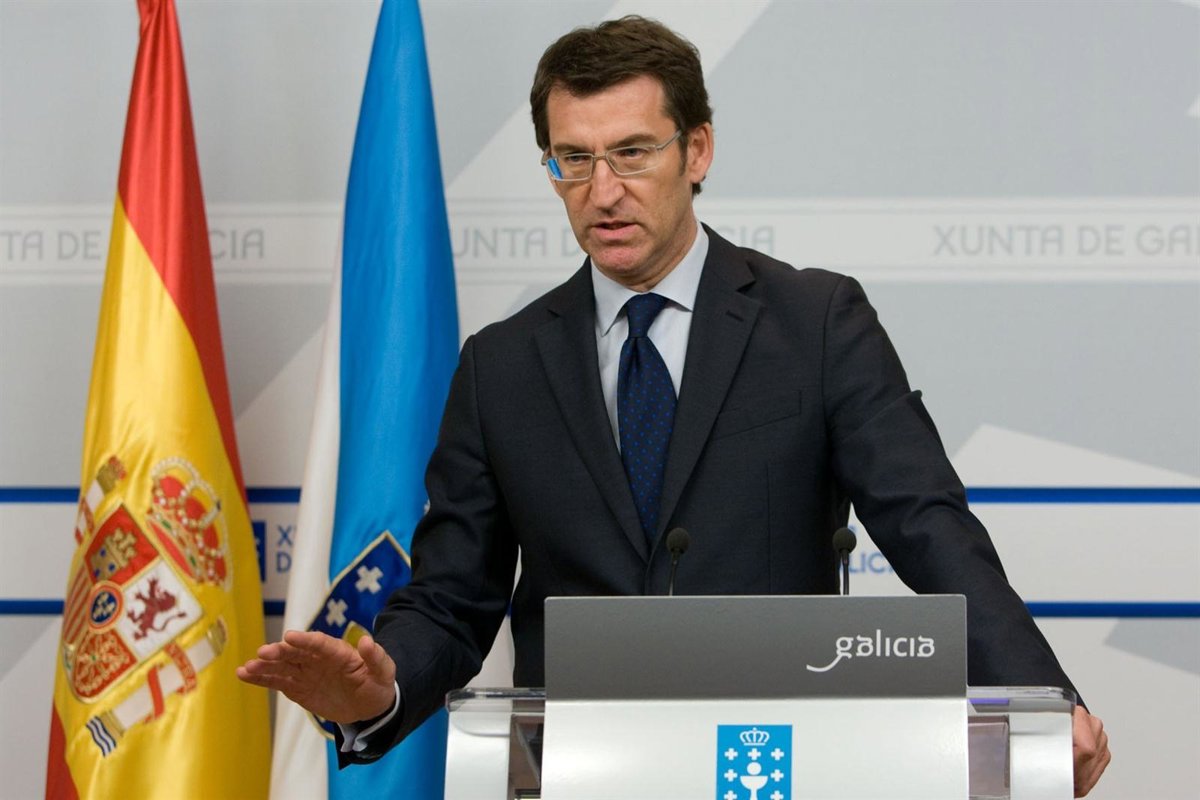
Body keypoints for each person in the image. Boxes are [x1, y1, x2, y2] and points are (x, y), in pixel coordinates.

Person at [238, 15, 1110, 796]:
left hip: (779, 763)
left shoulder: (815, 323)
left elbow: (928, 524)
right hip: (584, 772)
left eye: (632, 152)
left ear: (697, 152)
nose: (602, 189)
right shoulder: (499, 367)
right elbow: (452, 596)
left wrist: (1045, 701)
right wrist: (381, 687)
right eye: (573, 159)